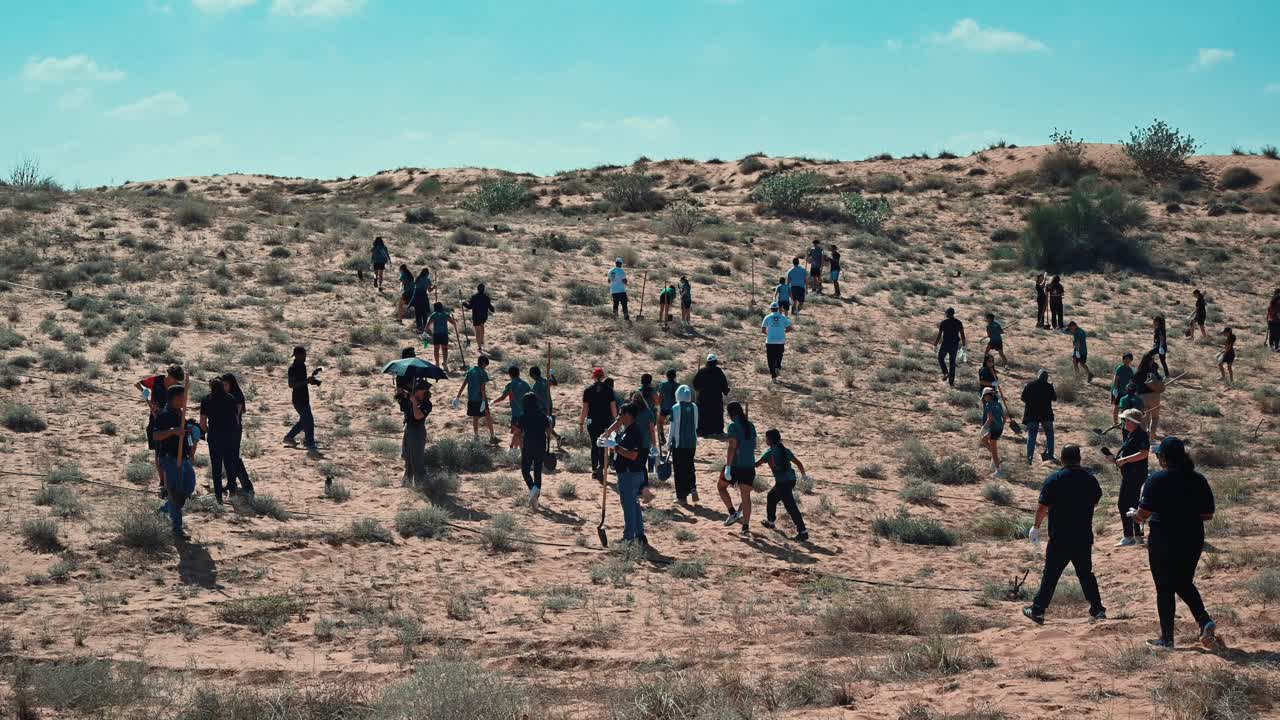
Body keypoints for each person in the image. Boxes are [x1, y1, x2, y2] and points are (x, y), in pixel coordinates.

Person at [1133, 436, 1217, 650]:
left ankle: (1167, 639)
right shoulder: (1198, 480)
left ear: (1165, 458)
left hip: (1164, 538)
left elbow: (1144, 513)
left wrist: (1136, 516)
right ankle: (1204, 621)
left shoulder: (1157, 479)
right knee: (1183, 582)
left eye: (1160, 454)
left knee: (1164, 587)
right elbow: (1208, 515)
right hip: (1192, 537)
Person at [1023, 445, 1106, 625]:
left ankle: (1038, 610)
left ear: (1062, 459)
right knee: (1085, 574)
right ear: (1079, 459)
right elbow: (1096, 499)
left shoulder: (1055, 478)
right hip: (1083, 535)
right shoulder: (1090, 479)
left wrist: (1036, 527)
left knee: (1051, 575)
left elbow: (1043, 506)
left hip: (1060, 536)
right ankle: (1098, 609)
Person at [152, 384, 198, 538]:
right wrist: (172, 431)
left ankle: (166, 508)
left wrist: (186, 431)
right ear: (174, 398)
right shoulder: (165, 414)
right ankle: (177, 528)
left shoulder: (179, 412)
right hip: (171, 459)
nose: (185, 399)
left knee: (189, 486)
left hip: (183, 457)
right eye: (182, 397)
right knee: (176, 492)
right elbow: (156, 435)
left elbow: (181, 431)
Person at [136, 365, 185, 493]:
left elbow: (180, 404)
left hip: (171, 420)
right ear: (170, 375)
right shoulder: (157, 380)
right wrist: (147, 396)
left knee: (171, 451)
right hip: (156, 420)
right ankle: (162, 482)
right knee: (158, 453)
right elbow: (139, 384)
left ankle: (172, 479)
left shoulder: (177, 387)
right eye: (175, 379)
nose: (176, 382)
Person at [606, 402, 647, 545]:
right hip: (628, 474)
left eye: (621, 414)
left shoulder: (634, 432)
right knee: (634, 505)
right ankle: (639, 535)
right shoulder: (626, 431)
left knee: (629, 506)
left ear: (628, 415)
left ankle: (629, 537)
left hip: (630, 475)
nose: (618, 417)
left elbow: (632, 455)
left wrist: (615, 447)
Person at [757, 428, 808, 541]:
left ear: (770, 440)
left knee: (790, 506)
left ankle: (803, 531)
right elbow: (798, 463)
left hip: (782, 483)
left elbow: (756, 464)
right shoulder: (786, 450)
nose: (765, 440)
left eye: (766, 438)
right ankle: (770, 522)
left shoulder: (769, 453)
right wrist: (804, 476)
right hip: (791, 480)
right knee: (771, 496)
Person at [718, 402, 757, 536]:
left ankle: (732, 513)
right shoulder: (751, 426)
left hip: (735, 465)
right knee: (746, 497)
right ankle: (745, 527)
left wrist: (728, 467)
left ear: (730, 414)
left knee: (721, 487)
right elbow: (753, 445)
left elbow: (732, 447)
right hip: (749, 465)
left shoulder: (733, 426)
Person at [1112, 408, 1149, 547]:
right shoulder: (1131, 434)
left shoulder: (1140, 435)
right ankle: (1137, 534)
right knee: (1132, 503)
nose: (1124, 422)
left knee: (1124, 504)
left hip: (1135, 475)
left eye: (1126, 420)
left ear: (1133, 422)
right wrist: (1116, 459)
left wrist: (1125, 460)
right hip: (1130, 474)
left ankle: (1128, 536)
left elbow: (1144, 453)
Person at [199, 378, 239, 504]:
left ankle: (218, 497)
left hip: (214, 436)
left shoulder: (206, 399)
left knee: (216, 466)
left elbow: (202, 422)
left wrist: (208, 432)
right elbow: (236, 419)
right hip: (229, 435)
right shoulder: (230, 398)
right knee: (230, 464)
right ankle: (232, 492)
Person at [516, 392, 556, 510]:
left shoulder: (523, 416)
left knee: (525, 470)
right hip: (540, 445)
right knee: (538, 471)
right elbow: (549, 432)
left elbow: (518, 432)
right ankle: (535, 495)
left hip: (528, 445)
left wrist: (518, 444)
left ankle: (533, 488)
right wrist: (549, 421)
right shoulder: (542, 415)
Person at [580, 368, 618, 480]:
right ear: (603, 377)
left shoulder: (588, 390)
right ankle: (601, 466)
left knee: (594, 445)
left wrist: (581, 422)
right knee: (603, 445)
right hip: (605, 421)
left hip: (592, 421)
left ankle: (594, 470)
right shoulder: (609, 390)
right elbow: (613, 407)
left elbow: (585, 409)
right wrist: (616, 422)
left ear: (593, 377)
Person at [219, 373, 254, 496]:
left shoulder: (237, 396)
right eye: (222, 385)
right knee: (228, 458)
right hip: (226, 430)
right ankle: (231, 483)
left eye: (226, 385)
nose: (224, 387)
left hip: (234, 430)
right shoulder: (225, 395)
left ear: (231, 384)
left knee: (234, 459)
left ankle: (247, 485)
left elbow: (236, 417)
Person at [667, 384, 699, 504]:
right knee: (690, 466)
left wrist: (669, 442)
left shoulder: (675, 408)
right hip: (692, 442)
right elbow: (695, 425)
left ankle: (682, 497)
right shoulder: (694, 407)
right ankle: (692, 487)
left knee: (679, 469)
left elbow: (672, 427)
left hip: (679, 443)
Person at [283, 346, 320, 451]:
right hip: (298, 399)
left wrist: (310, 381)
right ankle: (310, 443)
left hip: (304, 398)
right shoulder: (293, 368)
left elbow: (301, 381)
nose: (305, 357)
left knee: (304, 421)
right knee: (309, 421)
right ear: (298, 355)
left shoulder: (302, 366)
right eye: (304, 355)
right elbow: (291, 384)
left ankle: (289, 437)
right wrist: (306, 381)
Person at [455, 355, 496, 443]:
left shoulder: (470, 371)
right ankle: (492, 436)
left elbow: (464, 384)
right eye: (486, 365)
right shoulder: (483, 373)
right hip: (480, 399)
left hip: (471, 399)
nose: (486, 367)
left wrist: (458, 396)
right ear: (483, 363)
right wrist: (484, 401)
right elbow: (482, 389)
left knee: (475, 418)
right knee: (488, 416)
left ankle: (476, 436)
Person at [401, 378, 431, 489]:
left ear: (422, 391)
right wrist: (402, 394)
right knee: (407, 457)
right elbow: (404, 407)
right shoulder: (413, 398)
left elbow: (418, 416)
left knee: (417, 459)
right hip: (409, 430)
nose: (414, 391)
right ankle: (407, 482)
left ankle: (421, 484)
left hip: (418, 433)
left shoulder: (427, 404)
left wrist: (413, 403)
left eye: (417, 389)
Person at [1021, 369, 1056, 464]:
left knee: (1031, 436)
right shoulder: (1049, 386)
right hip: (1046, 414)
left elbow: (1023, 398)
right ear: (1046, 378)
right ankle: (1051, 456)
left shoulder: (1030, 385)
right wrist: (1052, 387)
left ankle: (1029, 459)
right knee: (1050, 435)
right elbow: (1054, 398)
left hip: (1032, 414)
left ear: (1038, 376)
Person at [691, 354, 730, 437]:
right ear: (715, 362)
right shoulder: (718, 371)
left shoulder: (701, 371)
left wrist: (699, 389)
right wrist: (726, 390)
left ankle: (702, 431)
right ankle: (717, 431)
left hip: (703, 397)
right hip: (716, 397)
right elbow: (724, 383)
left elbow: (695, 383)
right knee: (716, 413)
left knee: (703, 414)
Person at [496, 366, 532, 449]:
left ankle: (522, 452)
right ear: (519, 373)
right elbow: (531, 395)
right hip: (526, 413)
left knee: (518, 433)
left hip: (516, 414)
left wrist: (494, 401)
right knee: (518, 432)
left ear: (510, 375)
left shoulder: (510, 385)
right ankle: (512, 447)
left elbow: (502, 397)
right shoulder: (525, 384)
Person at [1134, 349, 1165, 437]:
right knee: (1154, 417)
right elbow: (1160, 380)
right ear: (1151, 361)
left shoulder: (1139, 372)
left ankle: (1145, 434)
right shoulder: (1153, 371)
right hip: (1154, 396)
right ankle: (1152, 434)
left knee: (1145, 416)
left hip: (1142, 397)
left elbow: (1134, 383)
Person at [933, 307, 966, 387]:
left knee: (941, 358)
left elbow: (939, 335)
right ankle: (951, 382)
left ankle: (945, 373)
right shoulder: (958, 322)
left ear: (947, 314)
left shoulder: (944, 322)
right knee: (952, 362)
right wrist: (964, 345)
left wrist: (935, 344)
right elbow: (962, 334)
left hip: (946, 343)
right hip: (954, 344)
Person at [425, 302, 461, 371]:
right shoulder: (446, 314)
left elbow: (428, 324)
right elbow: (453, 323)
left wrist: (426, 332)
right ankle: (444, 362)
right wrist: (454, 321)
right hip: (444, 334)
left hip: (436, 334)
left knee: (436, 349)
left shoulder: (434, 315)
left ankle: (437, 363)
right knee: (445, 349)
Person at [761, 302, 792, 381]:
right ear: (778, 309)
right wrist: (782, 331)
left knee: (770, 359)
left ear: (771, 309)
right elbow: (789, 328)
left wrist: (769, 334)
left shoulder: (767, 317)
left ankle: (773, 376)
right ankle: (777, 367)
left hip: (770, 341)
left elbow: (763, 329)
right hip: (780, 341)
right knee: (779, 355)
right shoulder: (783, 317)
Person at [980, 387, 1006, 478]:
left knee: (994, 452)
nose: (984, 398)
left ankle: (999, 471)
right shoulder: (998, 404)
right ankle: (998, 460)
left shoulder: (988, 405)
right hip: (999, 428)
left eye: (985, 396)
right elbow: (1004, 417)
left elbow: (990, 419)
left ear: (988, 395)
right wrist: (1001, 425)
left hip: (994, 429)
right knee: (984, 440)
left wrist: (983, 427)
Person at [463, 283, 495, 352]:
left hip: (476, 316)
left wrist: (463, 303)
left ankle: (479, 346)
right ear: (484, 290)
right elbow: (491, 308)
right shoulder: (486, 297)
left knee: (477, 330)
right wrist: (493, 310)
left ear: (477, 289)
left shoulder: (474, 297)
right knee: (481, 325)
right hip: (484, 316)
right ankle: (482, 339)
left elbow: (469, 307)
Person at [1110, 353, 1136, 425]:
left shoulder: (1130, 370)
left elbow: (1131, 380)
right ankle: (1115, 422)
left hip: (1126, 392)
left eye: (1129, 359)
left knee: (1124, 407)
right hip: (1118, 390)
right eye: (1125, 359)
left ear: (1131, 360)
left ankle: (1123, 422)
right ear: (1123, 359)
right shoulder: (1120, 368)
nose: (1127, 360)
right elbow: (1116, 379)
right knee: (1116, 406)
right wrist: (1115, 389)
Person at [655, 368, 678, 444]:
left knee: (659, 422)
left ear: (667, 376)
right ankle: (674, 438)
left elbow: (660, 396)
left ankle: (662, 438)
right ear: (675, 376)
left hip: (665, 407)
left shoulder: (663, 385)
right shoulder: (678, 385)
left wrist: (657, 404)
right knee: (675, 423)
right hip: (675, 408)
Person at [411, 267, 434, 334]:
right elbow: (429, 290)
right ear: (427, 273)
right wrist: (434, 287)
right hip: (423, 296)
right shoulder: (427, 280)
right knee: (425, 313)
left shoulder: (418, 278)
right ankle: (425, 327)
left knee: (418, 313)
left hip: (417, 296)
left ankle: (419, 327)